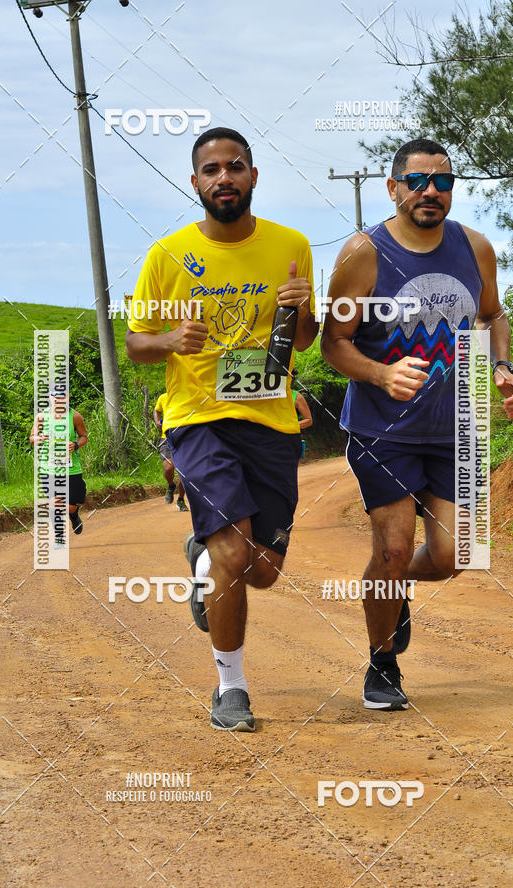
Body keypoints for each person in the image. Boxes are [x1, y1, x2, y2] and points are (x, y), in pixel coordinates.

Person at [321, 138, 513, 711]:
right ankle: (382, 665)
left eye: (443, 182)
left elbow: (491, 313)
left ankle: (394, 592)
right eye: (418, 181)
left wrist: (502, 367)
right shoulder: (362, 253)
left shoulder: (475, 247)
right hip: (383, 428)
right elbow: (332, 344)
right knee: (391, 548)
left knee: (457, 554)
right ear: (394, 188)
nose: (430, 191)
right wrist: (383, 375)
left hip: (456, 424)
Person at [126, 127, 318, 732]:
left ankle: (201, 560)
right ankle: (230, 686)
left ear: (254, 176)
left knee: (262, 570)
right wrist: (167, 340)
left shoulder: (291, 245)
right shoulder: (167, 255)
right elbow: (135, 345)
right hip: (198, 420)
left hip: (269, 420)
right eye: (211, 170)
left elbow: (303, 342)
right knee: (234, 552)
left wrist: (301, 310)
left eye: (235, 166)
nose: (224, 178)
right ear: (195, 183)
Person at [30, 390, 88, 538]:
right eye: (55, 397)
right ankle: (58, 535)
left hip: (71, 468)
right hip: (48, 468)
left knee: (70, 505)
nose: (58, 400)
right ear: (50, 398)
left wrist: (75, 445)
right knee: (54, 502)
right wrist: (38, 438)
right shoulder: (41, 417)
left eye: (62, 397)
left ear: (67, 398)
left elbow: (84, 437)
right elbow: (31, 439)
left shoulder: (75, 416)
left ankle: (73, 515)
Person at [153, 392, 188, 511]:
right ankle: (171, 485)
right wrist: (157, 421)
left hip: (184, 438)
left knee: (184, 473)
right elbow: (157, 410)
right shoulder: (163, 397)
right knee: (168, 468)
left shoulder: (186, 395)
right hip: (166, 438)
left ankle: (181, 500)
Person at [292, 385, 313, 459]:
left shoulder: (296, 396)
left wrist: (289, 426)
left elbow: (308, 420)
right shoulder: (264, 395)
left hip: (290, 440)